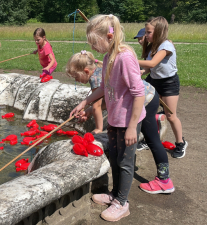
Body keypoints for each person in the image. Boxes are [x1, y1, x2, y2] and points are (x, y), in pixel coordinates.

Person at [70, 14, 145, 222]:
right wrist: (84, 102)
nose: (93, 47)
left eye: (95, 42)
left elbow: (138, 93)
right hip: (114, 118)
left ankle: (122, 202)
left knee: (125, 161)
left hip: (129, 120)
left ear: (110, 36)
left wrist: (132, 127)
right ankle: (115, 194)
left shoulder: (125, 57)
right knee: (114, 156)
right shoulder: (107, 58)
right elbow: (104, 88)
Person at [138, 16, 188, 158]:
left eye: (148, 32)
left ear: (159, 31)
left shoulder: (166, 46)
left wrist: (127, 59)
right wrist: (142, 71)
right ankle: (150, 139)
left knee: (170, 115)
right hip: (154, 80)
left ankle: (180, 143)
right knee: (146, 110)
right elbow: (151, 68)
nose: (145, 35)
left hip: (168, 83)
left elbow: (153, 63)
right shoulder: (152, 46)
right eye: (146, 32)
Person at [65, 50, 104, 134]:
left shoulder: (95, 79)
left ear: (86, 72)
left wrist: (98, 129)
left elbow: (96, 106)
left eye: (76, 77)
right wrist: (88, 111)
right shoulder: (98, 69)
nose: (76, 80)